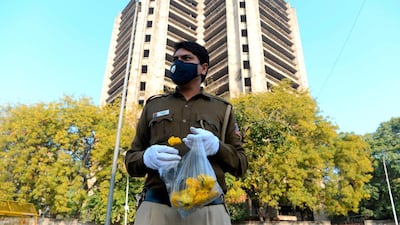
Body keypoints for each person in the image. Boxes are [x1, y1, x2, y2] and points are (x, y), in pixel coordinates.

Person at [124, 41, 248, 225]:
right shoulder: (154, 105)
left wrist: (217, 147)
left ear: (203, 68)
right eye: (175, 59)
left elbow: (241, 165)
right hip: (157, 207)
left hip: (208, 209)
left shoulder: (223, 109)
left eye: (186, 58)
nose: (177, 64)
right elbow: (131, 161)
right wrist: (146, 158)